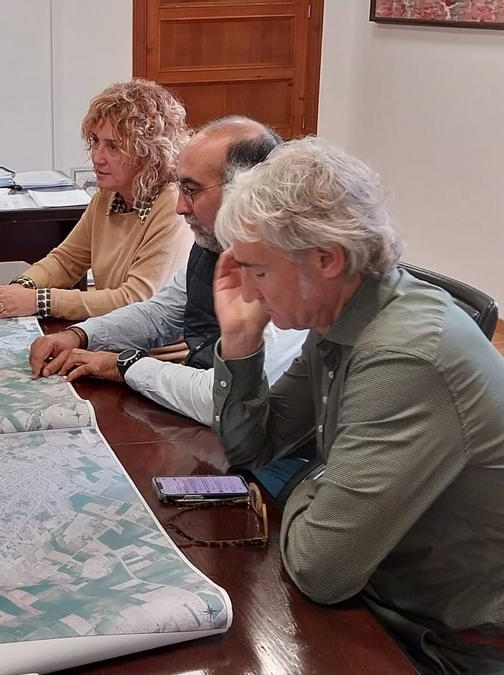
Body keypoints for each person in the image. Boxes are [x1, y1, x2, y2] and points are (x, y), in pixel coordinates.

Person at [209, 136, 504, 673]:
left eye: (258, 270)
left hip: (463, 651)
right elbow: (253, 449)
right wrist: (240, 343)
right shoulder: (342, 316)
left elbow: (322, 567)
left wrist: (314, 482)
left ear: (325, 259)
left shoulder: (404, 355)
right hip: (394, 610)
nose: (251, 292)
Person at [26, 116, 308, 497]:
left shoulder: (287, 270)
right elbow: (163, 311)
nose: (179, 207)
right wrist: (83, 334)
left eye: (191, 191)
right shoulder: (213, 243)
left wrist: (125, 365)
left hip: (275, 469)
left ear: (249, 190)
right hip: (217, 437)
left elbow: (217, 400)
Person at [0, 79, 192, 321]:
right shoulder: (108, 196)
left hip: (154, 353)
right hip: (112, 337)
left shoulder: (173, 205)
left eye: (113, 147)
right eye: (95, 142)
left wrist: (39, 301)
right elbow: (65, 261)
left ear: (148, 153)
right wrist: (21, 287)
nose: (97, 157)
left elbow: (135, 299)